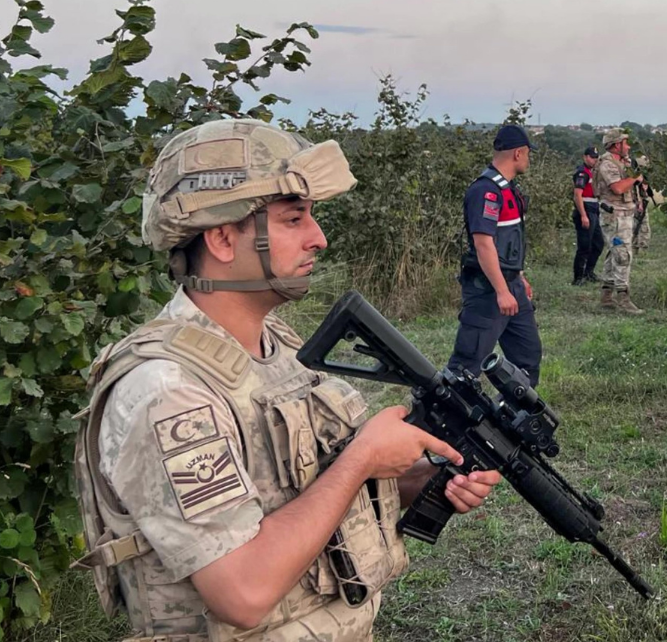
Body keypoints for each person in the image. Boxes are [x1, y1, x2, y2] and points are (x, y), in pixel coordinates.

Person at [72, 119, 501, 642]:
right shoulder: (166, 389)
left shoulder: (279, 347)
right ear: (225, 239)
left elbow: (308, 499)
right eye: (294, 218)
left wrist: (420, 478)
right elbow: (242, 594)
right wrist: (362, 457)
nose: (317, 238)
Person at [446, 124, 543, 386]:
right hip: (487, 291)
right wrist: (501, 290)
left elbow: (508, 241)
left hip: (512, 287)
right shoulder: (485, 191)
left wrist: (518, 278)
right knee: (465, 368)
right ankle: (439, 422)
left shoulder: (509, 189)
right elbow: (484, 244)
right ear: (518, 154)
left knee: (528, 359)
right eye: (528, 154)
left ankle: (511, 421)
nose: (528, 159)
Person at [595, 128, 645, 314]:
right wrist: (634, 178)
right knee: (623, 255)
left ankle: (606, 296)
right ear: (617, 145)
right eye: (625, 142)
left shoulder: (624, 162)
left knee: (614, 253)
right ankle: (623, 298)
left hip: (624, 214)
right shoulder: (607, 164)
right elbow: (617, 188)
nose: (629, 146)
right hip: (613, 216)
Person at [571, 146, 605, 285]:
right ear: (585, 157)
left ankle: (588, 272)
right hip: (585, 209)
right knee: (584, 246)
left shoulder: (594, 172)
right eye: (592, 157)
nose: (594, 160)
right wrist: (583, 215)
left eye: (596, 157)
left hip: (595, 209)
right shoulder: (582, 173)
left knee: (598, 244)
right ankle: (578, 277)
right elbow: (577, 195)